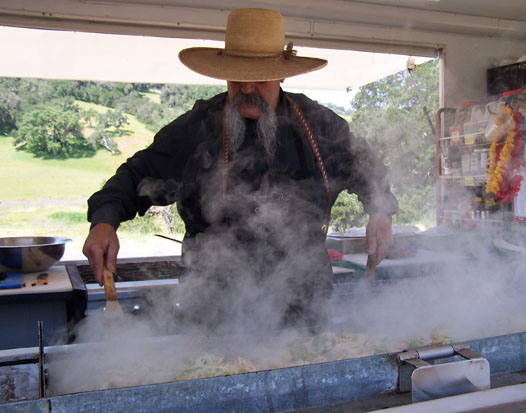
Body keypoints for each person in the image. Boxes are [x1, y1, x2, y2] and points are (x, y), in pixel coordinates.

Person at [83, 8, 398, 331]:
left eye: (260, 77)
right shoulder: (196, 129)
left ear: (281, 75)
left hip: (303, 306)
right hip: (214, 310)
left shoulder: (319, 126)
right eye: (236, 75)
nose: (247, 87)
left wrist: (380, 211)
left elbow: (368, 169)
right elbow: (136, 175)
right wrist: (104, 222)